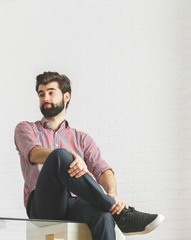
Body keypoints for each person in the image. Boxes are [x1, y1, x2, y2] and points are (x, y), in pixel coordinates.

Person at [14, 72, 164, 240]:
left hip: (76, 203)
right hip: (43, 206)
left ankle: (113, 210)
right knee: (59, 156)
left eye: (51, 92)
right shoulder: (26, 128)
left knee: (103, 216)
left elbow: (102, 169)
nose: (45, 98)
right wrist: (70, 156)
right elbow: (33, 153)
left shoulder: (82, 138)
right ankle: (121, 213)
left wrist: (112, 193)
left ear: (66, 96)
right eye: (41, 94)